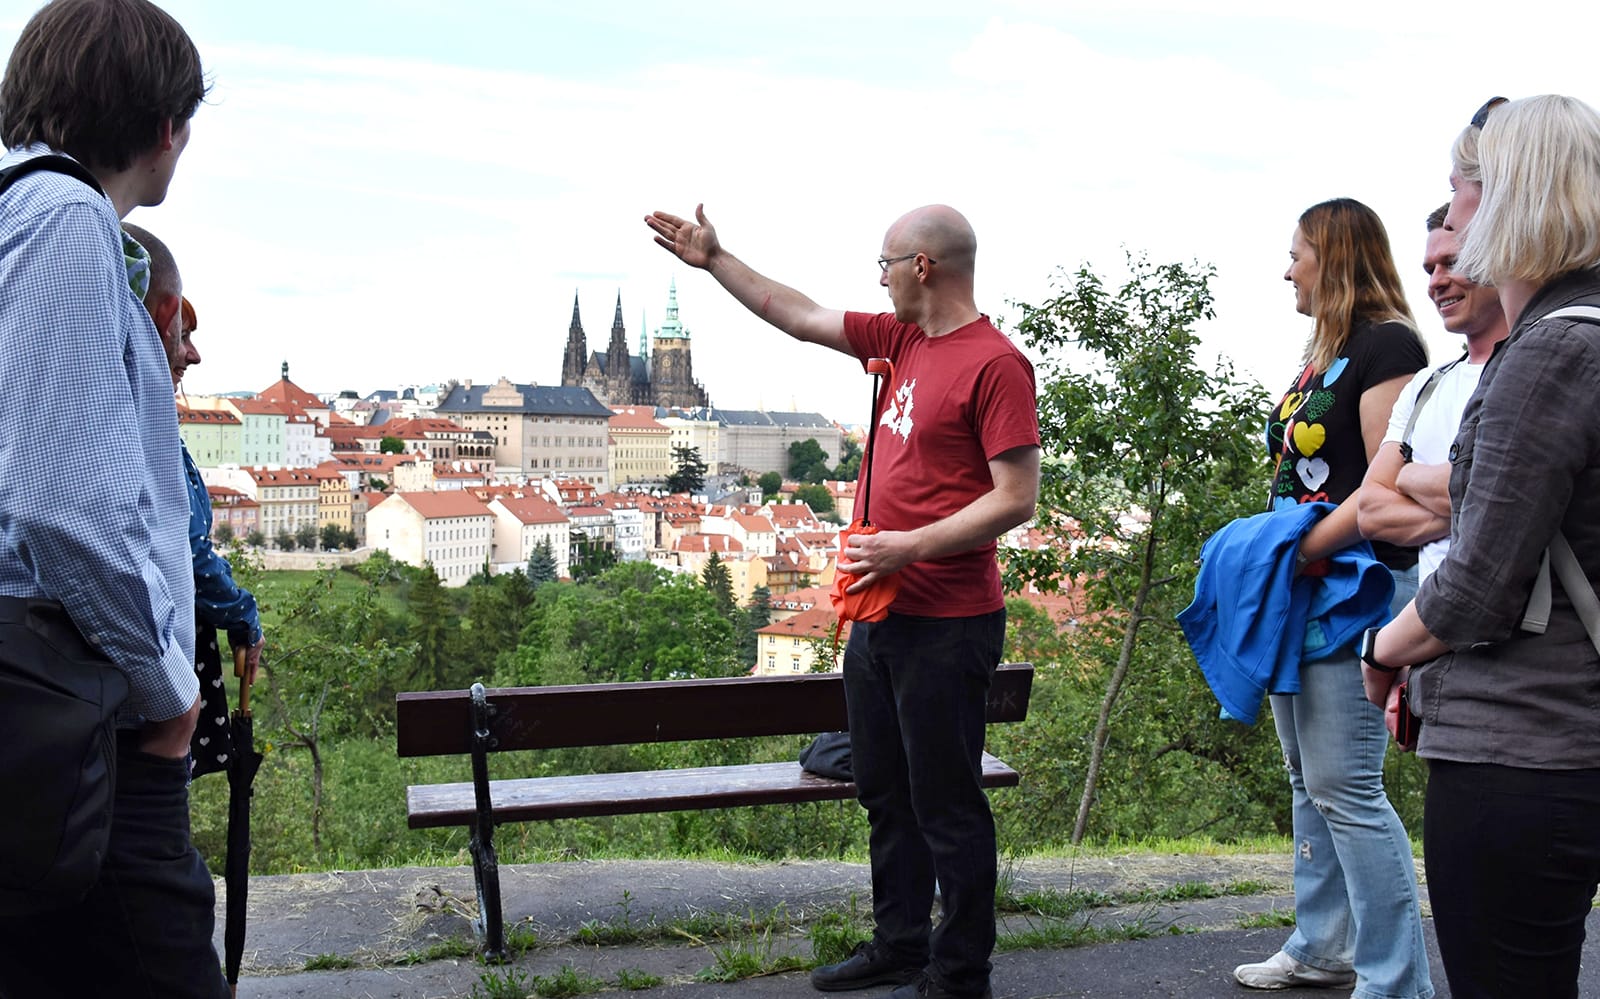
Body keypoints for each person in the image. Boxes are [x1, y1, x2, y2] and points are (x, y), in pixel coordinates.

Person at [645, 203, 1039, 999]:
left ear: (922, 266)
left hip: (949, 618)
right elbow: (792, 313)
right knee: (886, 791)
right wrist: (716, 259)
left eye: (886, 262)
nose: (881, 276)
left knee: (947, 802)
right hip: (880, 616)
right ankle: (899, 944)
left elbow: (1017, 497)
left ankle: (961, 973)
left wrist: (909, 545)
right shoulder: (897, 341)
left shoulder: (996, 364)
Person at [0, 1, 223, 996]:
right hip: (87, 722)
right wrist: (164, 688)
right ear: (166, 125)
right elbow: (62, 508)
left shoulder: (23, 213)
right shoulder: (68, 221)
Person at [1364, 94, 1600, 999]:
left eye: (1458, 194)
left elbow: (1476, 589)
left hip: (1523, 749)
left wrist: (1381, 651)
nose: (1452, 217)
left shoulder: (1546, 354)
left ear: (1505, 198)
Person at [1234, 198, 1433, 998]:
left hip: (1357, 589)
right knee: (1306, 780)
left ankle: (1394, 980)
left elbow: (1388, 479)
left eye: (1297, 254)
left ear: (1335, 255)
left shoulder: (1387, 346)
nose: (1287, 269)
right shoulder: (1326, 352)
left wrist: (1302, 547)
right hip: (1303, 591)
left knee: (1347, 787)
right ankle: (1322, 945)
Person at [123, 221, 265, 777]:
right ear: (156, 318)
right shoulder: (134, 415)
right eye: (183, 334)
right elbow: (183, 548)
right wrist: (242, 611)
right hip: (148, 689)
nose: (194, 354)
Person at [1356, 197, 1510, 579]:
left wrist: (1409, 478)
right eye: (1429, 269)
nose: (1436, 282)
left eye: (1453, 262)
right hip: (1431, 622)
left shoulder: (1539, 366)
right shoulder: (1427, 385)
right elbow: (1372, 511)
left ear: (1500, 257)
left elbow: (1514, 492)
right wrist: (1476, 508)